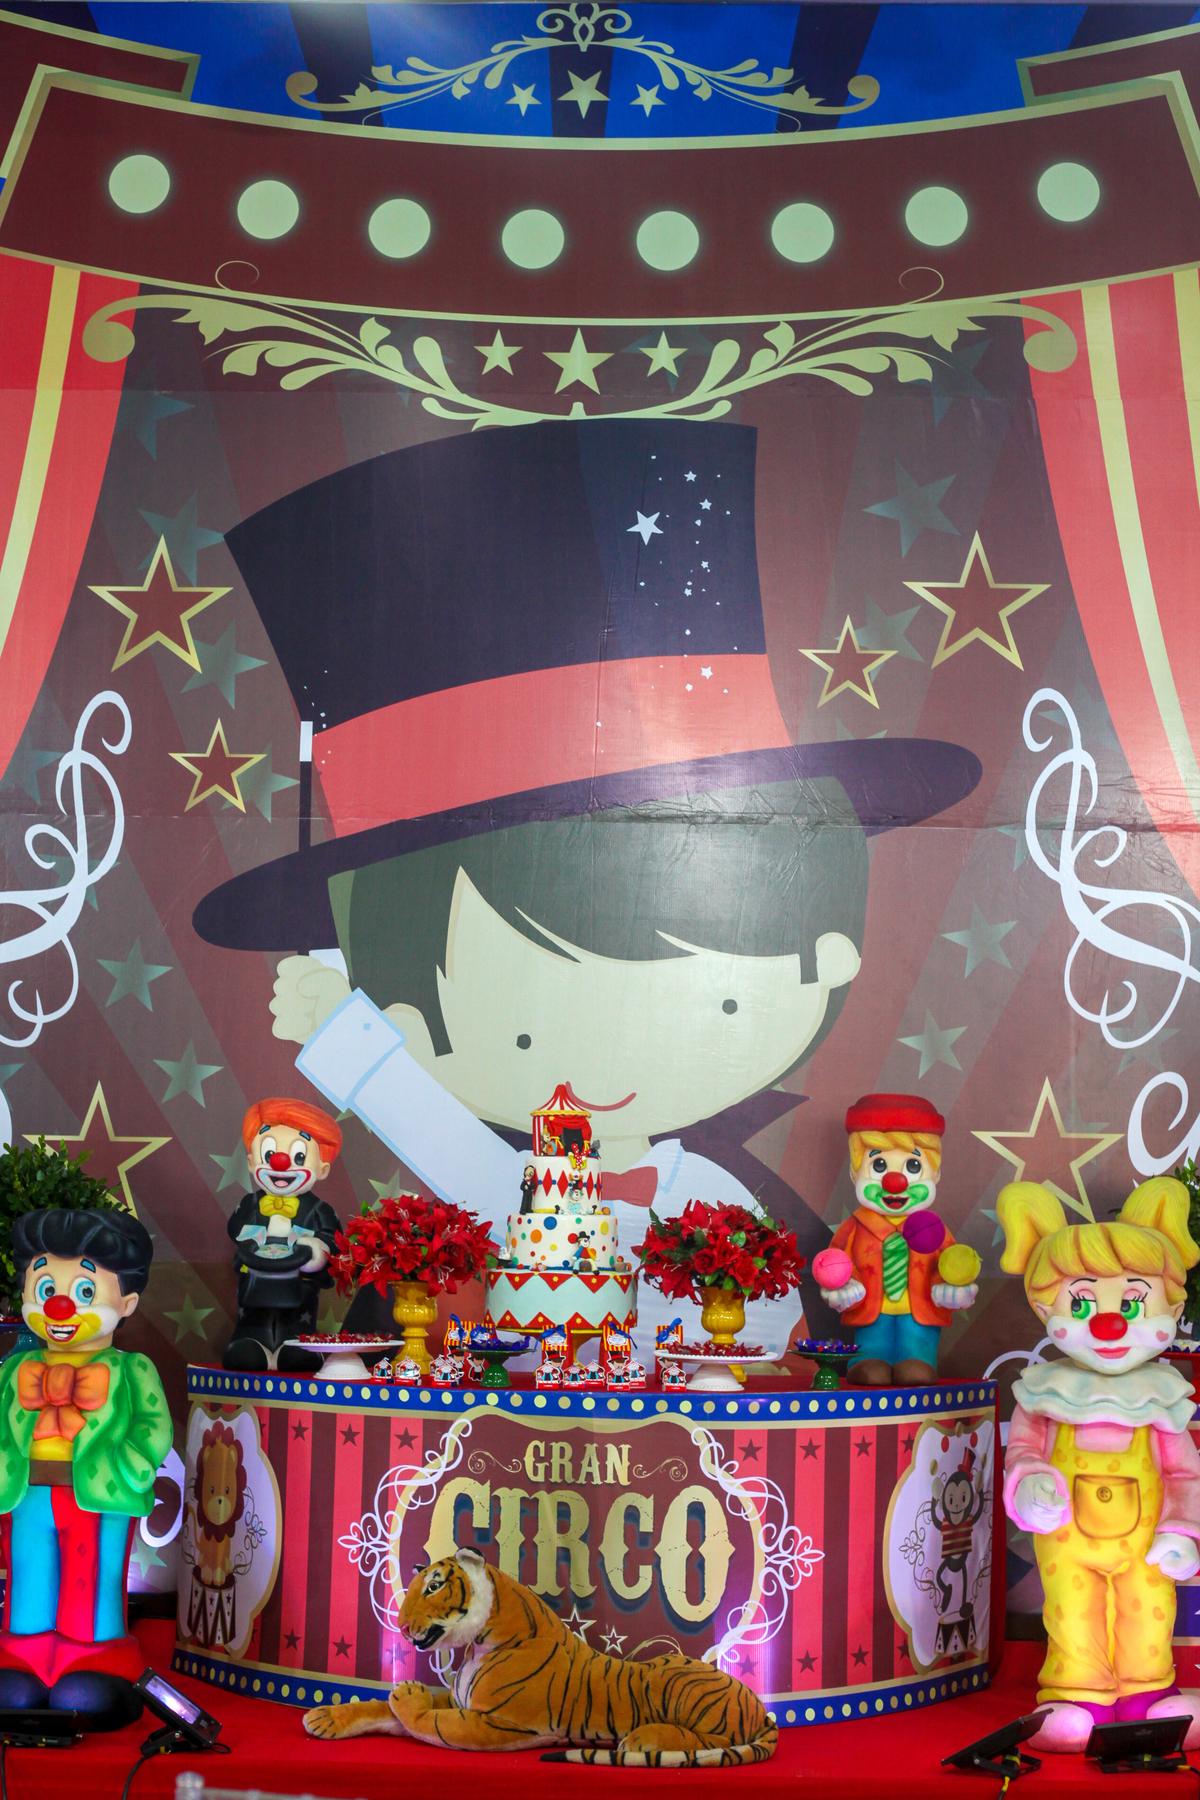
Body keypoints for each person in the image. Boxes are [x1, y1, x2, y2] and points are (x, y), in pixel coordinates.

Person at [193, 418, 981, 1356]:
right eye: (520, 1030)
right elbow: (439, 1136)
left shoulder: (710, 1204)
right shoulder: (506, 1189)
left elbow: (767, 1324)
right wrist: (340, 1021)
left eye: (720, 1000)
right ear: (401, 1005)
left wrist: (346, 1029)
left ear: (828, 956)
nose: (596, 1079)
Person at [998, 1177, 1200, 1752]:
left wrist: (1183, 1529)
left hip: (1146, 1539)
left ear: (1171, 1305)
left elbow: (1184, 1473)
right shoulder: (1043, 1392)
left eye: (1132, 1303)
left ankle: (1148, 1695)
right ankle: (1076, 1696)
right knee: (1071, 1611)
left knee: (1149, 1609)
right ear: (1045, 1308)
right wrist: (1030, 1482)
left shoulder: (1161, 1396)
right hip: (1067, 1538)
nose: (1109, 1324)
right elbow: (1023, 1450)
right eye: (1082, 1303)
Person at [0, 1207, 170, 1728]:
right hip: (29, 1496)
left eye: (86, 1290)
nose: (60, 1304)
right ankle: (25, 1657)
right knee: (29, 1573)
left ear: (128, 1303)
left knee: (91, 1580)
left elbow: (153, 1429)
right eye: (46, 1286)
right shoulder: (17, 1368)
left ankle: (91, 1661)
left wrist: (130, 1467)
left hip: (98, 1497)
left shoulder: (131, 1369)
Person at [816, 1094, 977, 1384]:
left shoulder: (933, 1228)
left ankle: (917, 1359)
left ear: (936, 1174)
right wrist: (843, 1284)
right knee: (871, 1367)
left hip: (920, 1310)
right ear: (854, 1173)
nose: (895, 1182)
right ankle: (867, 1360)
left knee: (916, 1367)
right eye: (878, 1165)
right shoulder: (854, 1227)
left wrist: (950, 1285)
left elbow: (950, 1262)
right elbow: (836, 1261)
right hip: (871, 1310)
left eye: (913, 1167)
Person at [223, 1098, 342, 1373]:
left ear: (322, 1168)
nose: (280, 1162)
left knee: (298, 1349)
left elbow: (333, 1240)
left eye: (298, 1156)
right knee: (247, 1347)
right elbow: (235, 1229)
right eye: (269, 1153)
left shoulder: (319, 1210)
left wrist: (314, 1250)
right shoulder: (250, 1204)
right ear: (251, 1163)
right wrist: (250, 1242)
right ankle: (252, 1343)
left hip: (300, 1289)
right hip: (254, 1287)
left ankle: (297, 1345)